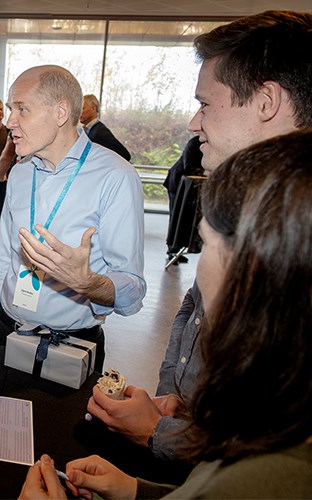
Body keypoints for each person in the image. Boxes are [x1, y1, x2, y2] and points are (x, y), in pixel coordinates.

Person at [20, 130, 312, 500]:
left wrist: (156, 433)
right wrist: (135, 490)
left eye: (208, 245)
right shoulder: (275, 428)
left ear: (256, 273)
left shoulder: (266, 474)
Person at [87, 10, 312, 461]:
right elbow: (193, 310)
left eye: (206, 104)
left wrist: (161, 433)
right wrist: (179, 408)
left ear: (266, 101)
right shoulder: (250, 202)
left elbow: (274, 453)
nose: (193, 123)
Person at [0, 65, 146, 373]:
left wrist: (85, 282)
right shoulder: (20, 172)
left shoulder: (115, 176)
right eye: (8, 109)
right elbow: (5, 251)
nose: (9, 122)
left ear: (60, 113)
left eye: (22, 109)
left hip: (69, 347)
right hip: (4, 329)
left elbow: (132, 287)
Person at [163, 135, 204, 264]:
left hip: (190, 188)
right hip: (178, 185)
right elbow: (189, 166)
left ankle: (177, 249)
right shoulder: (194, 143)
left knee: (185, 218)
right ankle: (172, 250)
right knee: (176, 216)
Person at [80, 94, 131, 161]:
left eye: (82, 108)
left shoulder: (100, 132)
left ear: (93, 109)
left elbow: (125, 155)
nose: (79, 112)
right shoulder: (88, 130)